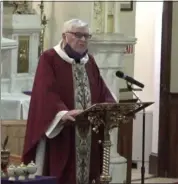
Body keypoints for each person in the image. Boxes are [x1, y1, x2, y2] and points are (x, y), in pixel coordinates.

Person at [22, 19, 116, 184]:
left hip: (88, 132)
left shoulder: (90, 62)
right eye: (78, 35)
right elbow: (45, 92)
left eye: (87, 36)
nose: (83, 40)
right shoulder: (50, 58)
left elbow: (101, 90)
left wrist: (111, 106)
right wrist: (62, 113)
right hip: (63, 133)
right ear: (64, 36)